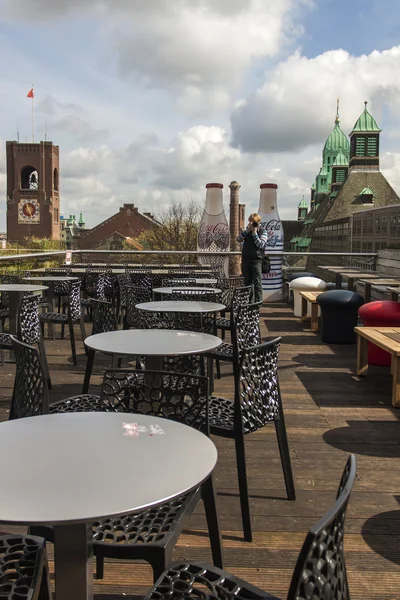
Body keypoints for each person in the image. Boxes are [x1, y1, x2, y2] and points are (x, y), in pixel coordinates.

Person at [237, 213, 268, 304]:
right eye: (250, 221)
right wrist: (247, 231)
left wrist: (255, 234)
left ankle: (258, 303)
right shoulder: (247, 231)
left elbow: (261, 245)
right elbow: (238, 239)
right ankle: (248, 303)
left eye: (253, 222)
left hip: (256, 260)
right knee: (247, 283)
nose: (251, 223)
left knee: (257, 283)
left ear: (258, 222)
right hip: (246, 260)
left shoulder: (263, 231)